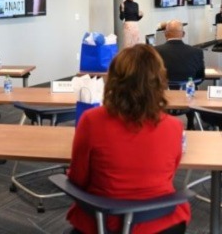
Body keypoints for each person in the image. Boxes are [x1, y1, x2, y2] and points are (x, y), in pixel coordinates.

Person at [67, 44, 191, 234]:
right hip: (161, 221)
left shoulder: (92, 121)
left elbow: (78, 179)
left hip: (104, 220)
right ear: (159, 82)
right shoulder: (174, 127)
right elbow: (169, 175)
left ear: (113, 81)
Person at [155, 20, 205, 130]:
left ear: (165, 34)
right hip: (188, 97)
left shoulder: (155, 51)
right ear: (183, 34)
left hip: (163, 97)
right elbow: (200, 76)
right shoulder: (196, 52)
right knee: (192, 84)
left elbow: (152, 75)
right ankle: (191, 123)